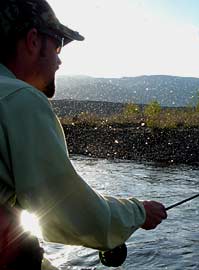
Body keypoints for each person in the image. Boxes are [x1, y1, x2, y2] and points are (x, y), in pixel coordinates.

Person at [0, 0, 167, 269]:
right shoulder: (21, 99)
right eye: (57, 46)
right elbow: (64, 212)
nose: (59, 60)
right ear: (32, 41)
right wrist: (139, 212)